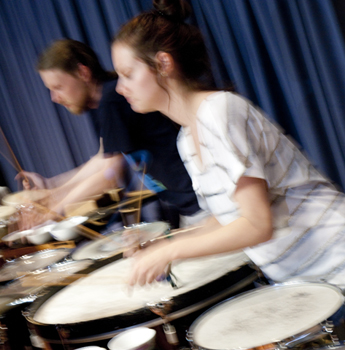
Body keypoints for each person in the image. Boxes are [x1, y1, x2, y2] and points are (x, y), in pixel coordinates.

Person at [111, 0, 345, 286]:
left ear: (162, 63)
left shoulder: (219, 111)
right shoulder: (187, 139)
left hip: (338, 260)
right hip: (310, 283)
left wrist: (169, 251)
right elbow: (228, 218)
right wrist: (163, 243)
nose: (121, 88)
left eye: (127, 74)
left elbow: (257, 225)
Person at [17, 39, 202, 229]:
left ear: (83, 72)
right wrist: (52, 187)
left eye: (58, 87)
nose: (54, 98)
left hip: (199, 202)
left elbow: (109, 174)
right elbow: (103, 158)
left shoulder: (111, 100)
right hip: (191, 203)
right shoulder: (104, 101)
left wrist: (53, 211)